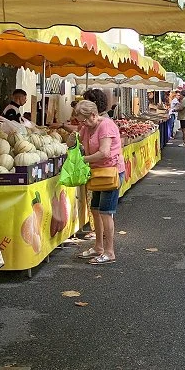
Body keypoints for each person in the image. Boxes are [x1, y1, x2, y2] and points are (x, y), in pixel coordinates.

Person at [72, 100, 125, 265]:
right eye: (80, 120)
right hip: (97, 173)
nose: (83, 123)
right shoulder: (87, 127)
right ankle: (98, 247)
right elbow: (73, 142)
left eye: (85, 120)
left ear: (94, 115)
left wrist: (82, 159)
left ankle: (110, 252)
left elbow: (104, 153)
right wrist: (75, 132)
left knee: (105, 213)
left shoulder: (106, 126)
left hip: (111, 173)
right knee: (95, 210)